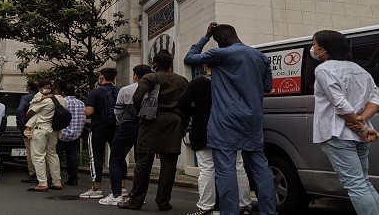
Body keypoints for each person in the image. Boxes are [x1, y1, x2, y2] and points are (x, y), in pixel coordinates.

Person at [183, 23, 277, 215]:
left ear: (222, 40)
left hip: (225, 119)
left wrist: (206, 36)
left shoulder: (222, 54)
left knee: (226, 169)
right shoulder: (260, 56)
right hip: (253, 119)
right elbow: (267, 86)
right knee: (260, 167)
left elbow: (190, 58)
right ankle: (269, 212)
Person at [310, 30, 379, 215]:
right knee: (364, 181)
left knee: (356, 184)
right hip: (359, 133)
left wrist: (360, 126)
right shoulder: (360, 69)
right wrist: (363, 122)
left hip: (337, 133)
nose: (313, 48)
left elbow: (340, 104)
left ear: (324, 48)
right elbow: (375, 99)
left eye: (315, 44)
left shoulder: (324, 69)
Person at [117, 50, 189, 211]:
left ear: (155, 64)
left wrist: (143, 113)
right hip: (174, 121)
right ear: (170, 65)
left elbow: (137, 98)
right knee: (169, 164)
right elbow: (187, 105)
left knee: (143, 162)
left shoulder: (150, 77)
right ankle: (163, 201)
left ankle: (135, 200)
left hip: (151, 121)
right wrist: (183, 124)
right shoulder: (182, 80)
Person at [179, 66, 253, 215]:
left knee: (207, 168)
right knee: (238, 166)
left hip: (204, 129)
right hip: (231, 129)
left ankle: (206, 207)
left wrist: (197, 111)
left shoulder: (197, 83)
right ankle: (244, 205)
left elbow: (182, 104)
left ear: (206, 66)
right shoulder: (233, 81)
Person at [101, 64, 152, 206]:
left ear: (135, 76)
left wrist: (122, 121)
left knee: (116, 158)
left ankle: (117, 194)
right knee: (141, 161)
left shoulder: (126, 90)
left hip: (128, 125)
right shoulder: (154, 90)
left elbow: (117, 111)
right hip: (147, 127)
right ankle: (138, 196)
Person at [80, 67, 119, 199]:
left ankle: (96, 187)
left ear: (102, 77)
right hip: (115, 127)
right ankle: (122, 187)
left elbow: (89, 111)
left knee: (96, 156)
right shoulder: (119, 91)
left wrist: (86, 110)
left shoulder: (95, 92)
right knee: (118, 156)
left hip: (98, 127)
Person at [25, 81, 66, 192]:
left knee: (38, 156)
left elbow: (29, 113)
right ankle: (57, 182)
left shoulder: (45, 101)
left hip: (40, 130)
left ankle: (42, 183)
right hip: (53, 130)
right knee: (52, 155)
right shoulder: (61, 100)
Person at [56, 81, 85, 186]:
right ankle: (73, 178)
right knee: (72, 156)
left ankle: (56, 177)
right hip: (75, 134)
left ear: (63, 92)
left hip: (61, 133)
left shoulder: (62, 102)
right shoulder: (81, 103)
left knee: (57, 156)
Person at [17, 80, 40, 183]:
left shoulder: (26, 98)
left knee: (30, 151)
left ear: (28, 88)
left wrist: (22, 124)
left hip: (29, 127)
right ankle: (44, 174)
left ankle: (33, 173)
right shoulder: (47, 98)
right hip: (43, 127)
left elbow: (20, 110)